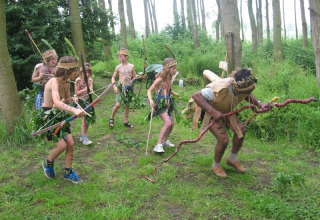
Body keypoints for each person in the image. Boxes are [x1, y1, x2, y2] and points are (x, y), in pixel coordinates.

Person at [191, 68, 265, 178]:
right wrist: (213, 112)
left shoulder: (242, 88)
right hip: (208, 110)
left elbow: (247, 94)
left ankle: (232, 159)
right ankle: (216, 166)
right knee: (223, 139)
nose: (248, 92)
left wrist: (259, 104)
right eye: (247, 90)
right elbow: (196, 95)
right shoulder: (221, 88)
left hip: (225, 109)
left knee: (241, 131)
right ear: (239, 88)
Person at [41, 56, 85, 184]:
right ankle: (48, 163)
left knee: (70, 143)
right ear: (67, 71)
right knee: (61, 145)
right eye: (75, 70)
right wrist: (74, 110)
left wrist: (74, 99)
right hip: (49, 116)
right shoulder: (54, 82)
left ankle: (68, 172)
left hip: (59, 114)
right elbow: (56, 102)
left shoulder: (67, 82)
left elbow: (65, 99)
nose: (77, 73)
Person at [147, 58, 179, 153]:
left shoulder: (169, 78)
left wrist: (173, 92)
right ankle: (158, 145)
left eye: (175, 68)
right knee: (168, 123)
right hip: (160, 103)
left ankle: (164, 141)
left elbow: (167, 88)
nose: (175, 70)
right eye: (173, 68)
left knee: (172, 124)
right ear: (167, 69)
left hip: (168, 102)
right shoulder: (159, 79)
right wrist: (151, 100)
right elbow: (149, 90)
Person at [109, 48, 145, 128]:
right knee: (118, 104)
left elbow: (135, 76)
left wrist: (141, 76)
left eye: (121, 56)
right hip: (120, 87)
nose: (119, 58)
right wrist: (114, 86)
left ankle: (126, 121)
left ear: (126, 57)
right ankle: (111, 117)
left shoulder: (131, 66)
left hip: (129, 87)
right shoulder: (118, 67)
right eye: (118, 57)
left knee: (127, 105)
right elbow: (113, 77)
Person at [74, 62, 94, 145]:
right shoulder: (78, 80)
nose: (87, 74)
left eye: (89, 72)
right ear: (81, 72)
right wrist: (85, 89)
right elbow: (76, 93)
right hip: (80, 102)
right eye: (85, 72)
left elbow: (91, 90)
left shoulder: (90, 80)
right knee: (84, 120)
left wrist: (90, 91)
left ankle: (84, 135)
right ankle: (83, 137)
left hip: (87, 102)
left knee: (87, 120)